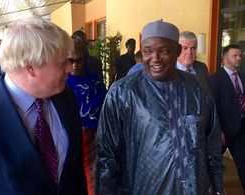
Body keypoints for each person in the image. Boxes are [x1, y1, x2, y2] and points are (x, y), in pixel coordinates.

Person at [0, 17, 87, 194]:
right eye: (61, 63)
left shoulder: (65, 96)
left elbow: (75, 171)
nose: (69, 68)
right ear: (30, 67)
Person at [96, 20, 225, 195]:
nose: (155, 59)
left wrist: (217, 188)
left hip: (195, 189)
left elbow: (213, 144)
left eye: (164, 51)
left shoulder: (198, 89)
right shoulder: (122, 93)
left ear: (177, 51)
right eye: (148, 52)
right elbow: (107, 154)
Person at [66, 37, 106, 195]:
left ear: (86, 59)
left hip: (93, 139)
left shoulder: (94, 81)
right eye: (70, 60)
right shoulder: (60, 82)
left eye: (79, 60)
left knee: (93, 182)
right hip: (68, 138)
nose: (74, 65)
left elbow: (105, 110)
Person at [208, 44, 245, 191]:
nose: (238, 58)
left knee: (243, 164)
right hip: (225, 131)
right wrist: (219, 130)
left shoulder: (242, 77)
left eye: (239, 55)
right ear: (225, 59)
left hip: (241, 128)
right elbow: (214, 107)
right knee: (214, 165)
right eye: (234, 56)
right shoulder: (216, 79)